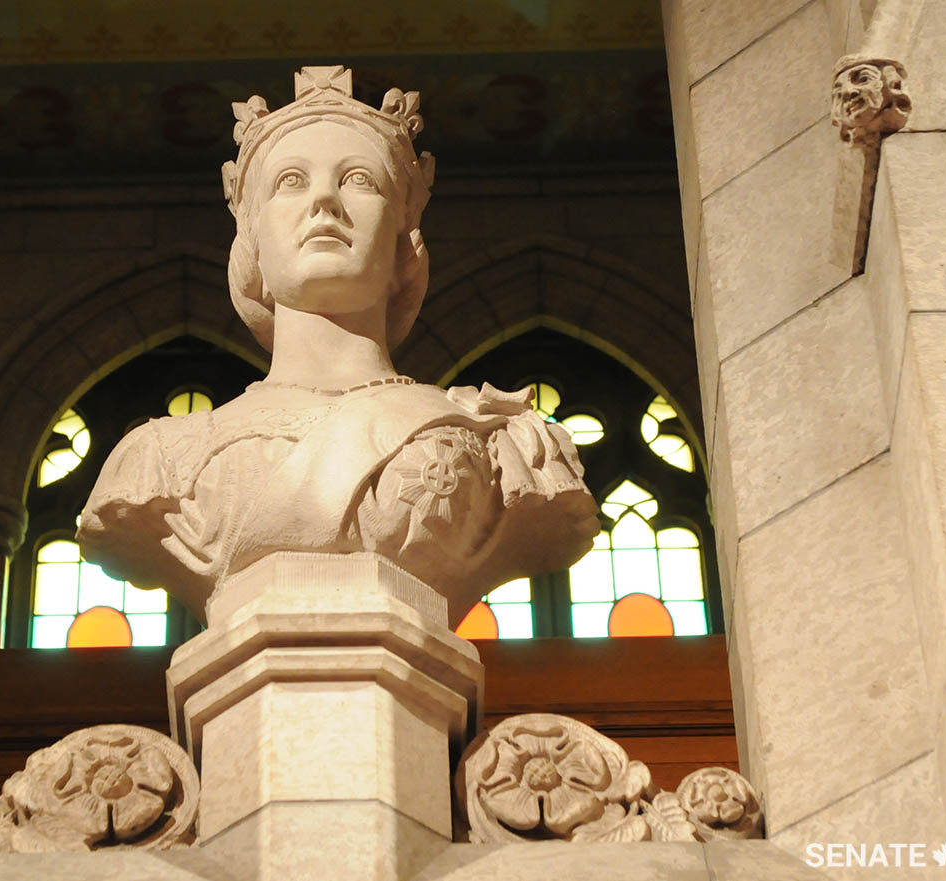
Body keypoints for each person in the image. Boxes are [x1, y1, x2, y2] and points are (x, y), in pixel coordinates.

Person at [77, 66, 599, 627]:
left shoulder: (504, 445)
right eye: (290, 181)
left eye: (359, 180)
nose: (324, 199)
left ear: (403, 244)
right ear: (252, 244)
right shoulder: (159, 460)